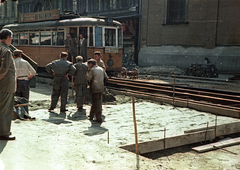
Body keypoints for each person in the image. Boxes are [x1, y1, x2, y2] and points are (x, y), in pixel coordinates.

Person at [0, 29, 16, 140]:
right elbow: (4, 69)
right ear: (9, 38)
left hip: (3, 85)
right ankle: (4, 133)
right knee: (6, 109)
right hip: (6, 85)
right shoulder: (6, 51)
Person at [87, 59, 108, 123]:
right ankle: (91, 115)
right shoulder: (101, 69)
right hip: (101, 88)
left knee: (97, 103)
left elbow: (88, 78)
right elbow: (106, 78)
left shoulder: (92, 70)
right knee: (96, 102)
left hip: (94, 88)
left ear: (91, 64)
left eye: (89, 64)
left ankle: (99, 118)